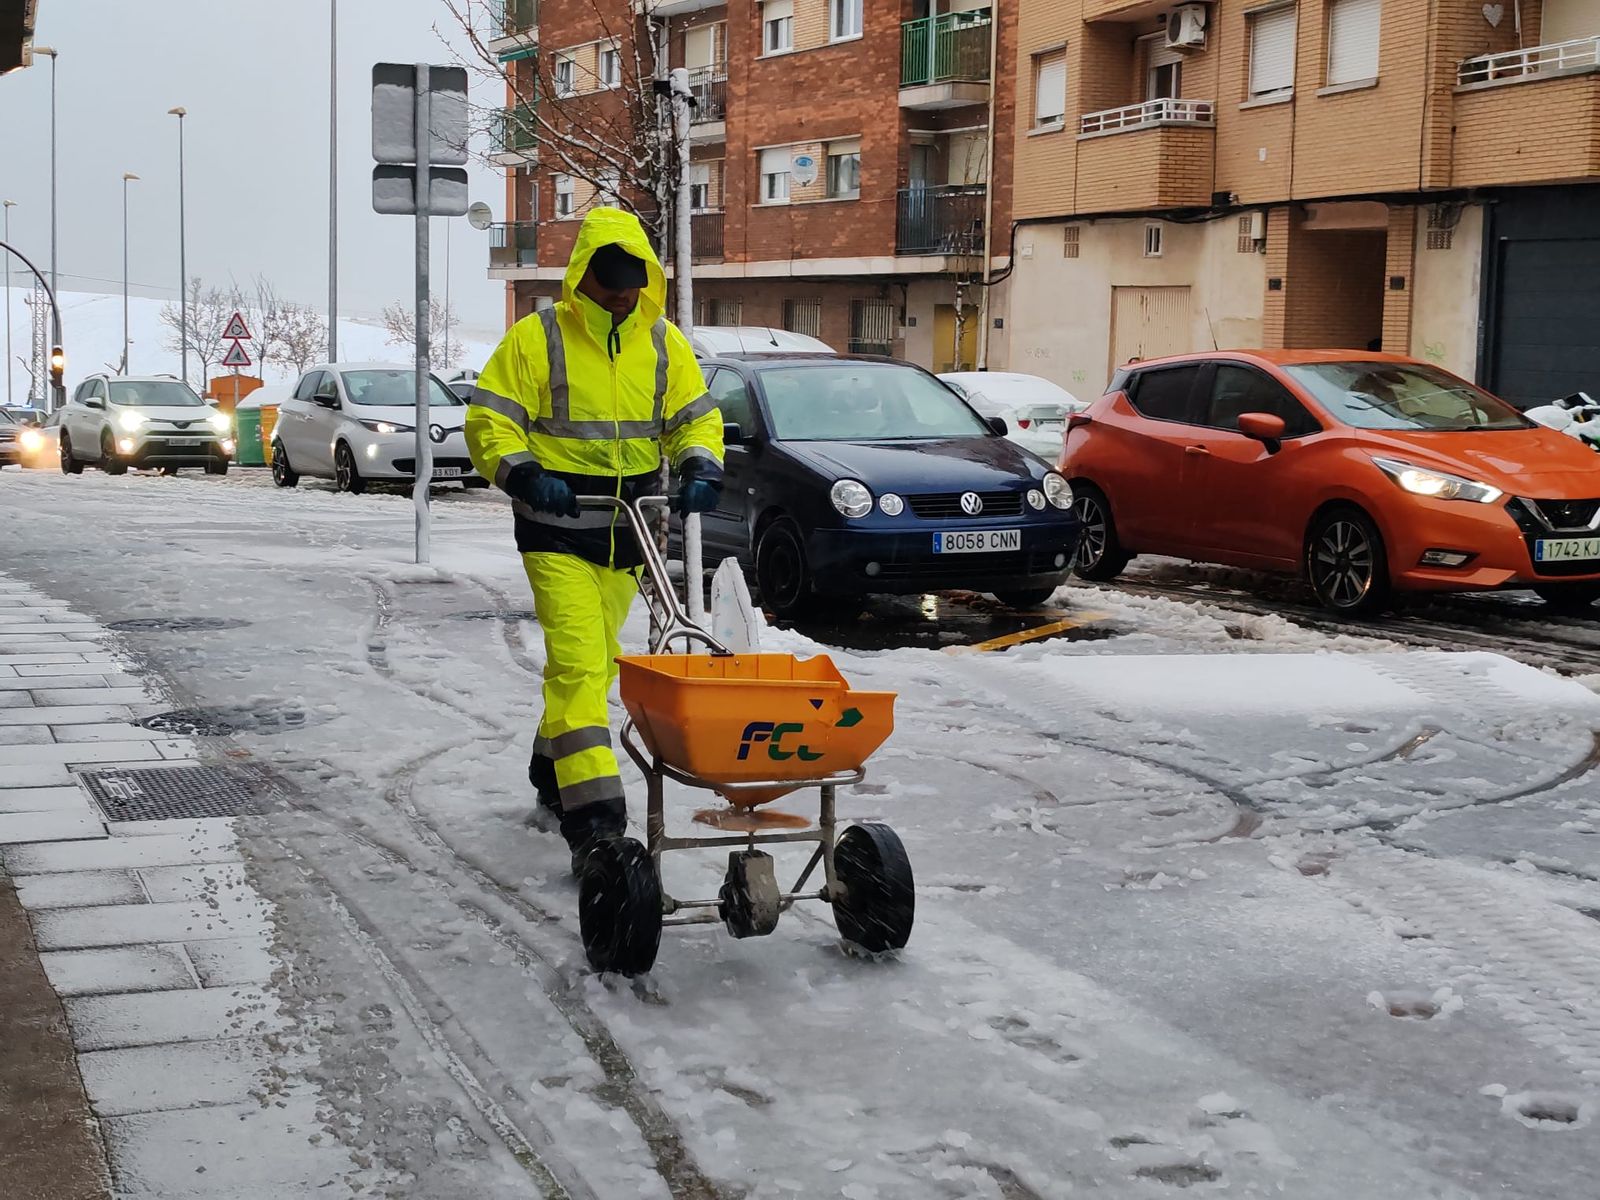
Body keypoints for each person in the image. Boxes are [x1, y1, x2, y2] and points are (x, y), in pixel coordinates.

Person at [466, 207, 724, 873]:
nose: (622, 298)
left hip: (629, 536)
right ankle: (596, 825)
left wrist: (700, 465)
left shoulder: (662, 344)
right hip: (556, 533)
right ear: (582, 278)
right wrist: (525, 473)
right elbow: (490, 419)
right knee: (581, 667)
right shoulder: (537, 338)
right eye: (610, 287)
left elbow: (694, 418)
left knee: (596, 664)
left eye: (632, 287)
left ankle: (549, 770)